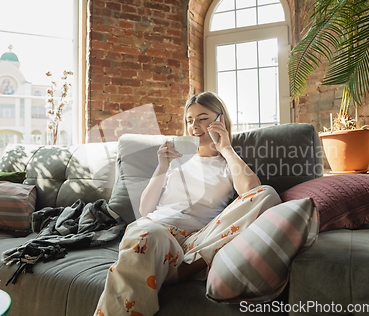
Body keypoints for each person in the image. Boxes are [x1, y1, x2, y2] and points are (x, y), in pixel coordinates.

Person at [94, 92, 281, 316]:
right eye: (190, 120)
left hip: (198, 240)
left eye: (203, 118)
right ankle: (178, 267)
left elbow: (252, 192)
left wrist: (226, 149)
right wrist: (162, 166)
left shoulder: (227, 163)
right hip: (158, 233)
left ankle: (181, 265)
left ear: (220, 120)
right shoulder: (175, 159)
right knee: (147, 234)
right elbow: (145, 210)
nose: (195, 125)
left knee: (267, 195)